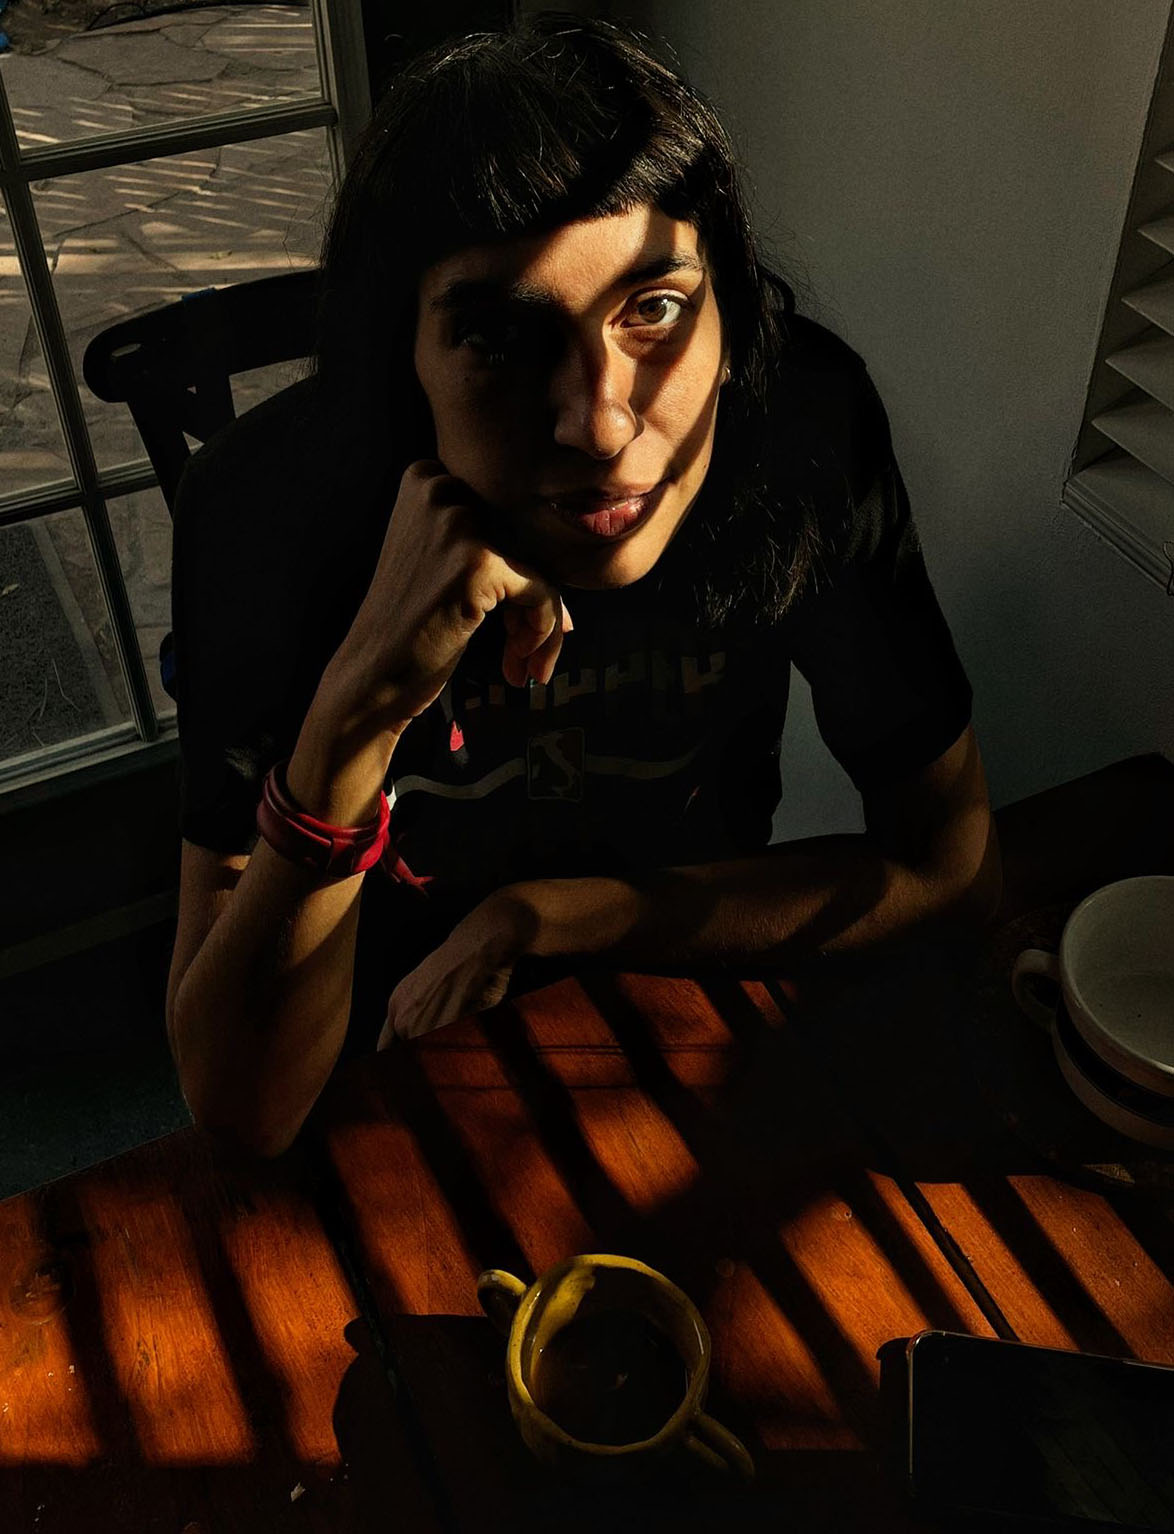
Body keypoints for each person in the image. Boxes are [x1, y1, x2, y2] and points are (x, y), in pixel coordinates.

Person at [165, 13, 1001, 1158]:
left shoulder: (799, 429)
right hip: (372, 1066)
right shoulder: (268, 508)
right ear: (402, 360)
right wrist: (358, 707)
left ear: (730, 315)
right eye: (502, 338)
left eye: (654, 309)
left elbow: (947, 863)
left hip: (678, 1013)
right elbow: (240, 1105)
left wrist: (560, 918)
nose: (601, 425)